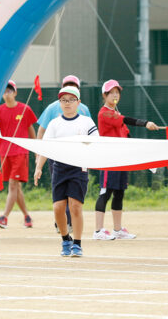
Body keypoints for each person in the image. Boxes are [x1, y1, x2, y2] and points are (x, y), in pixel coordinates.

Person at [34, 86, 97, 257]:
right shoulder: (54, 124)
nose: (67, 103)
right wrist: (38, 168)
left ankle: (77, 244)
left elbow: (96, 143)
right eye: (63, 100)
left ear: (79, 102)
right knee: (58, 208)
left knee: (75, 206)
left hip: (79, 167)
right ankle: (65, 239)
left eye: (71, 100)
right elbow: (46, 148)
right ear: (59, 103)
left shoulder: (86, 122)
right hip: (59, 168)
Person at [95, 79, 159, 240]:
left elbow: (127, 136)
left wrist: (143, 157)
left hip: (121, 160)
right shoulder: (105, 113)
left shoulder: (116, 113)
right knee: (105, 192)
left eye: (117, 92)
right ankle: (98, 231)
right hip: (109, 160)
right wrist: (145, 124)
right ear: (105, 95)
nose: (115, 95)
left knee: (119, 193)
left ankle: (117, 230)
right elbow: (125, 120)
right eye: (111, 92)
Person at [36, 75, 90, 233]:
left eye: (74, 86)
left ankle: (70, 223)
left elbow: (91, 137)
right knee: (60, 198)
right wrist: (39, 157)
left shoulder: (84, 110)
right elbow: (42, 131)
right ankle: (62, 222)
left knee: (74, 199)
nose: (70, 89)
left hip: (78, 160)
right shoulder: (53, 108)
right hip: (56, 159)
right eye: (67, 85)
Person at [0, 80, 37, 229]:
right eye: (5, 91)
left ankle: (4, 217)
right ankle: (27, 216)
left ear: (15, 92)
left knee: (13, 185)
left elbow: (31, 129)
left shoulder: (24, 109)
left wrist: (36, 150)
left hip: (20, 152)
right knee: (16, 187)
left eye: (10, 91)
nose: (7, 94)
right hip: (5, 153)